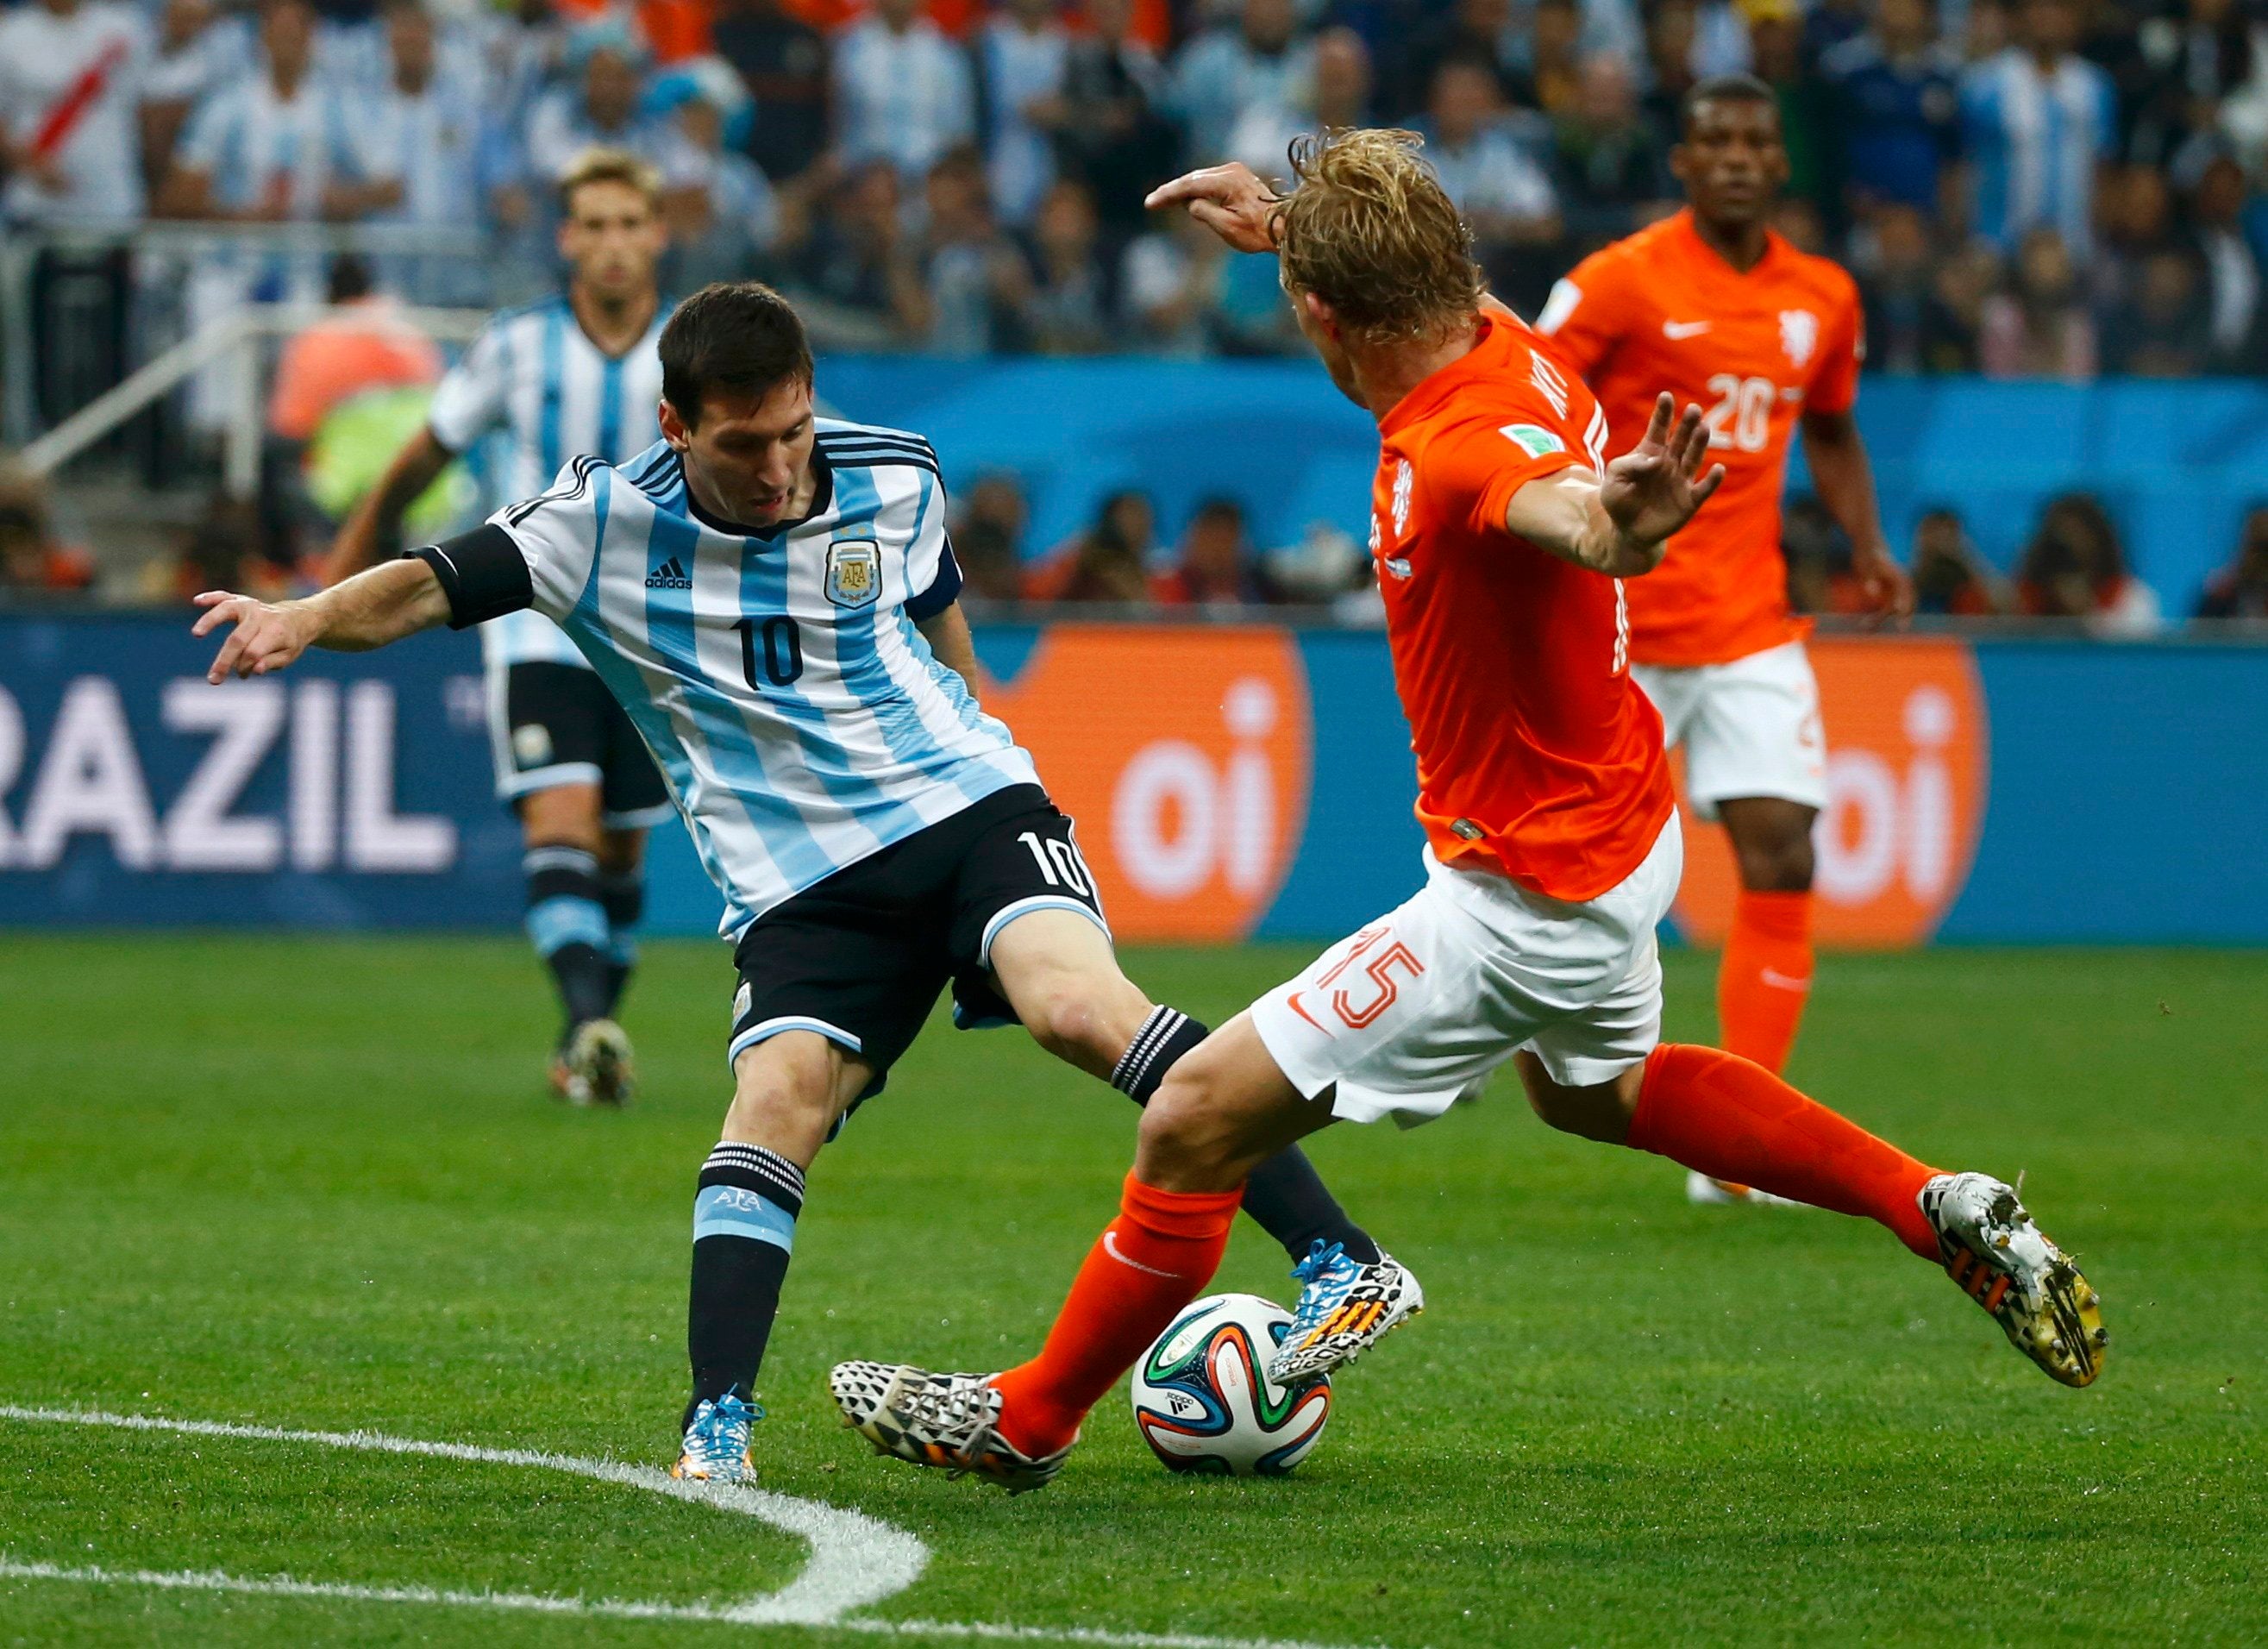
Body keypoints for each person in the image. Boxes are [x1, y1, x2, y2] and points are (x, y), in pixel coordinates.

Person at [826, 130, 2106, 1496]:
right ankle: (1932, 1203)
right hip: (1618, 833)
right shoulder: (1504, 336)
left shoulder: (1454, 446)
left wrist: (1624, 527)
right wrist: (1294, 227)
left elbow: (1562, 514)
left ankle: (1028, 1419)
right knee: (1595, 1093)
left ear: (1319, 317)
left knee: (1192, 1120)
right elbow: (1436, 322)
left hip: (1516, 899)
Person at [192, 278, 1408, 1488]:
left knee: (1080, 1009)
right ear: (676, 428)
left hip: (962, 806)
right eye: (740, 445)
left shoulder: (893, 472)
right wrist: (301, 617)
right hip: (801, 886)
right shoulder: (598, 526)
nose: (776, 468)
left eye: (791, 432)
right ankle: (716, 1427)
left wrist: (982, 740)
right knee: (771, 1104)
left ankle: (1338, 1259)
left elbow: (938, 622)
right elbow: (421, 584)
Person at [1534, 74, 1912, 1206]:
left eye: (1757, 139)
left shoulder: (1822, 297)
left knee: (1782, 849)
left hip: (1747, 622)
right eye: (1717, 141)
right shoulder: (1621, 281)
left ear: (1777, 163)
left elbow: (1832, 431)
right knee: (1573, 878)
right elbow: (1535, 389)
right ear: (1685, 164)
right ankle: (1482, 1028)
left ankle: (1742, 1152)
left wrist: (1868, 545)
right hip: (1619, 621)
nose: (1740, 157)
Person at [323, 151, 680, 1107]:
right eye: (592, 226)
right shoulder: (517, 344)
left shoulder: (693, 351)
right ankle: (585, 1027)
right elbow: (420, 456)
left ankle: (591, 1037)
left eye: (627, 225)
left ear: (657, 235)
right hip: (534, 624)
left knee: (620, 850)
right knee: (558, 815)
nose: (611, 244)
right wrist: (347, 566)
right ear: (567, 239)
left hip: (655, 637)